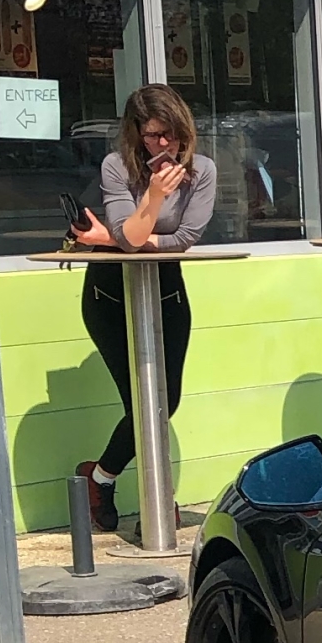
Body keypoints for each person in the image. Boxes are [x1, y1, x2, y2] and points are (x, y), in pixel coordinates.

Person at [69, 84, 215, 533]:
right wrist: (151, 197)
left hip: (166, 286)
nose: (163, 145)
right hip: (111, 293)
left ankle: (100, 476)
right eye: (152, 135)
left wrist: (116, 239)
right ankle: (156, 498)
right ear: (136, 134)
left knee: (165, 398)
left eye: (169, 134)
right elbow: (131, 237)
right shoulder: (117, 167)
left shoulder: (202, 170)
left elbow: (185, 239)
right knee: (140, 400)